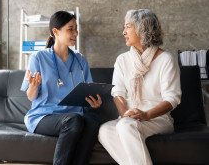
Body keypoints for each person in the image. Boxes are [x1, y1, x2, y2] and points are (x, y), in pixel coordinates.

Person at [98, 9, 182, 165]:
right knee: (105, 130)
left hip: (157, 119)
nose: (123, 32)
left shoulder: (166, 59)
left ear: (143, 28)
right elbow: (118, 92)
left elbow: (172, 98)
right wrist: (126, 115)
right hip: (128, 119)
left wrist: (146, 115)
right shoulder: (122, 60)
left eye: (128, 26)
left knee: (125, 126)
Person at [20, 11, 102, 165]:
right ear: (56, 32)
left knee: (92, 121)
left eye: (76, 29)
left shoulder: (80, 60)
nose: (75, 33)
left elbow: (87, 91)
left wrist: (93, 102)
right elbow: (31, 97)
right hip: (44, 116)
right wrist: (33, 86)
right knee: (73, 121)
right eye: (70, 29)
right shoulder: (38, 58)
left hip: (74, 113)